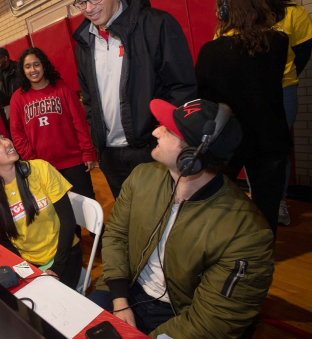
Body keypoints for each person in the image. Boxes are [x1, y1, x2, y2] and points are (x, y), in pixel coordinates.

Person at [88, 98, 274, 338]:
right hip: (125, 287)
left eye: (168, 130)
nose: (156, 130)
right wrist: (120, 298)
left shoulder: (246, 233)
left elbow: (212, 322)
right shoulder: (142, 177)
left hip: (180, 314)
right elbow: (116, 234)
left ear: (191, 157)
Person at [72, 0, 197, 199]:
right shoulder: (84, 42)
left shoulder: (155, 24)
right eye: (81, 2)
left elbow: (182, 87)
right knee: (130, 221)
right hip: (110, 155)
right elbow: (88, 98)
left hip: (152, 150)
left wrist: (168, 138)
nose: (89, 8)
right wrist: (98, 139)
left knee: (164, 215)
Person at [196, 0, 290, 236]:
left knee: (218, 202)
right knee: (267, 208)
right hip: (270, 137)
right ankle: (263, 255)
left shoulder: (210, 52)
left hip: (228, 141)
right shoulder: (279, 43)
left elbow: (203, 98)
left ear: (224, 11)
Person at [238, 0, 312, 226]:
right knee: (251, 150)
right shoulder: (239, 18)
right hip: (247, 94)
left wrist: (281, 78)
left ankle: (279, 201)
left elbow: (303, 53)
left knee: (276, 152)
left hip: (282, 92)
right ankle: (256, 197)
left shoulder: (294, 14)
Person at [0, 129, 82, 289]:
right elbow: (1, 241)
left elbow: (68, 221)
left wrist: (56, 268)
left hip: (65, 254)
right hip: (29, 262)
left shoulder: (41, 168)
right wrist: (25, 267)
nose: (7, 142)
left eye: (3, 137)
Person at [10, 47, 97, 199]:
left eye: (36, 64)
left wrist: (88, 152)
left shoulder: (63, 89)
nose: (33, 70)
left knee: (87, 206)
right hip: (43, 167)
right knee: (64, 216)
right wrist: (33, 161)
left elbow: (80, 123)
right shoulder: (18, 98)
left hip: (74, 161)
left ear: (44, 65)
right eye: (27, 66)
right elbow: (17, 134)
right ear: (23, 70)